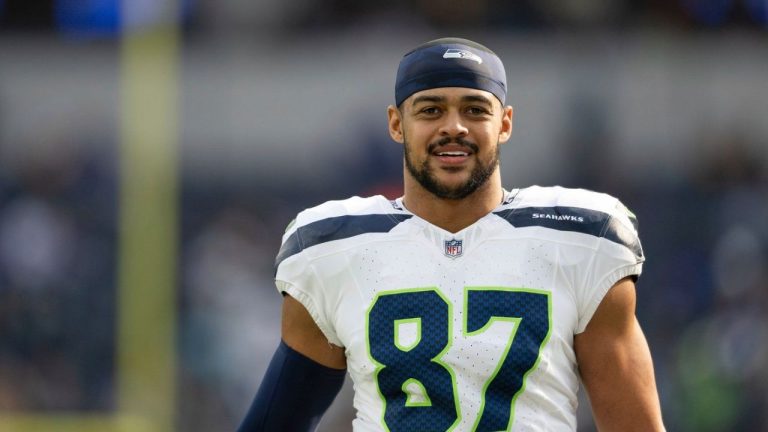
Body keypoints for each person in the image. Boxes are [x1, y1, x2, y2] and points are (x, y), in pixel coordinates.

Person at [238, 37, 665, 431]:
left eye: (475, 109)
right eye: (430, 110)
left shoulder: (582, 240)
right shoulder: (331, 250)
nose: (454, 127)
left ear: (505, 123)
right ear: (396, 124)